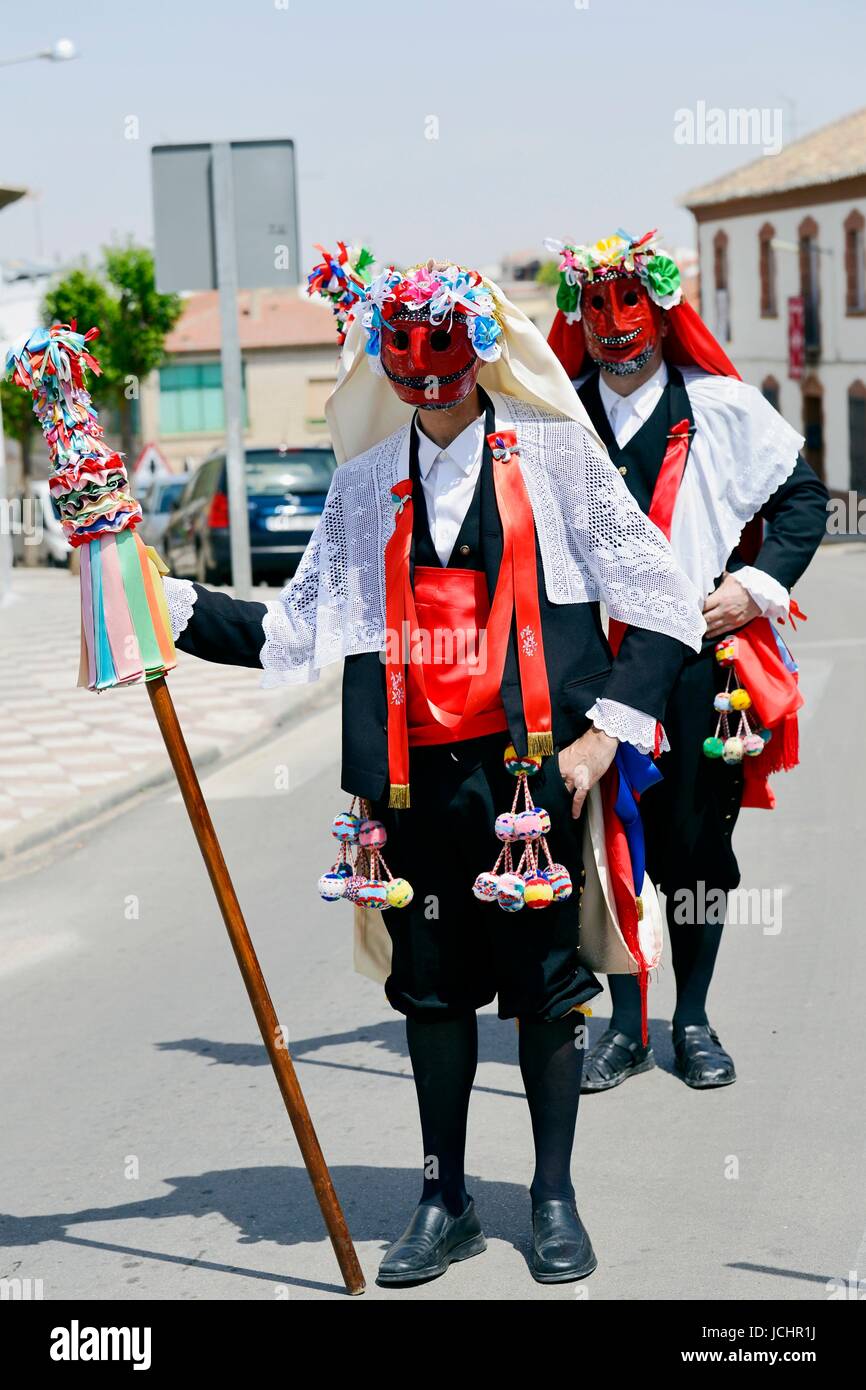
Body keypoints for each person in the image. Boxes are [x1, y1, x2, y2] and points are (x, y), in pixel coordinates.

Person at [159, 257, 705, 1285]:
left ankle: (551, 1196)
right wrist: (164, 601)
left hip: (531, 776)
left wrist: (602, 738)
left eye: (445, 355)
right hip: (407, 783)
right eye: (405, 359)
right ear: (385, 363)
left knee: (547, 991)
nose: (429, 380)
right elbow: (294, 628)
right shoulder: (367, 484)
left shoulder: (553, 459)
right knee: (432, 994)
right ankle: (441, 1195)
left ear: (480, 351)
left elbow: (663, 600)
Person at [546, 231, 828, 1092]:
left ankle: (692, 1016)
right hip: (590, 670)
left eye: (629, 307)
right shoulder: (552, 423)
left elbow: (803, 499)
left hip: (701, 666)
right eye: (596, 310)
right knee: (602, 850)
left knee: (697, 851)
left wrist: (753, 587)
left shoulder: (722, 409)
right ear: (580, 322)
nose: (614, 328)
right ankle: (625, 1026)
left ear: (663, 314)